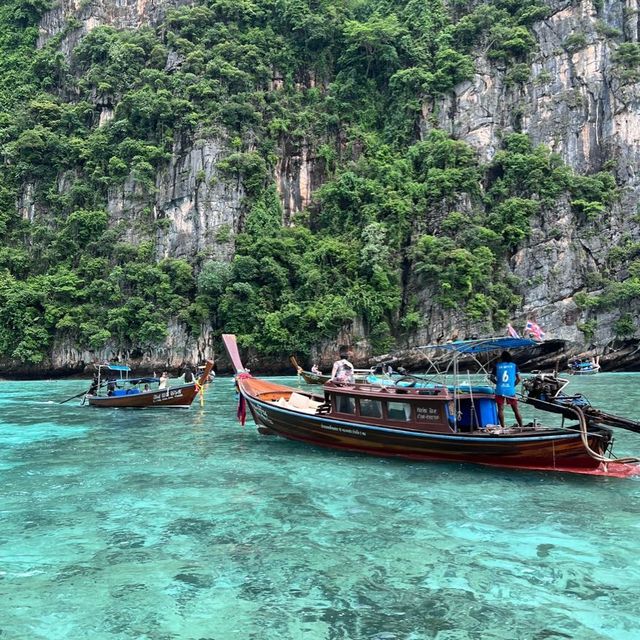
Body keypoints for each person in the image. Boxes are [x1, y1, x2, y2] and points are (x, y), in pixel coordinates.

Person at [490, 350, 524, 429]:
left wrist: (497, 383)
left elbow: (491, 378)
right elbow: (519, 379)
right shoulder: (514, 365)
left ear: (501, 358)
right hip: (510, 390)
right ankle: (521, 426)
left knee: (500, 409)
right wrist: (512, 385)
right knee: (515, 409)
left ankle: (502, 427)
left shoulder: (497, 366)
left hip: (500, 390)